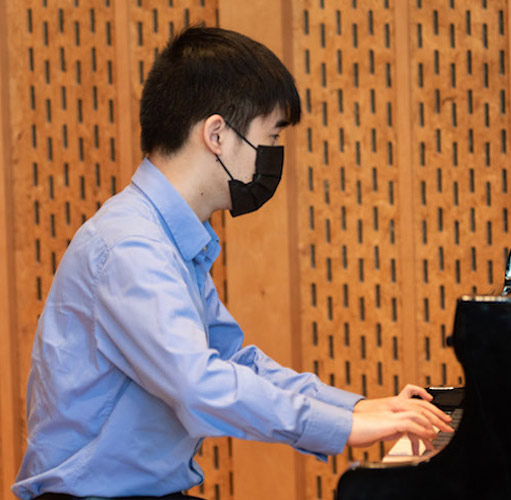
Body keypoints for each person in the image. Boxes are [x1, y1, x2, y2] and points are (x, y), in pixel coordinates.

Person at [12, 26, 451, 500]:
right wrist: (343, 428)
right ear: (217, 135)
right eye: (271, 135)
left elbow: (233, 361)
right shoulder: (130, 246)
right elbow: (200, 386)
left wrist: (360, 408)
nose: (273, 155)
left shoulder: (168, 238)